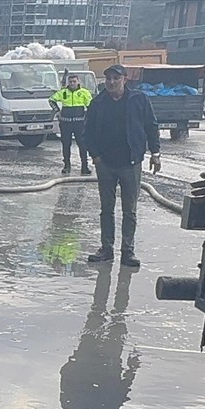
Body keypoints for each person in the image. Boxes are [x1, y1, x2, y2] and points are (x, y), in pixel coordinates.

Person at [82, 64, 161, 268]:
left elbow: (151, 126)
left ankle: (128, 251)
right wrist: (95, 156)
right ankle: (106, 249)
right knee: (106, 209)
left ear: (125, 79)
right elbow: (87, 132)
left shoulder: (139, 100)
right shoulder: (98, 103)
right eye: (108, 78)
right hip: (106, 164)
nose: (111, 82)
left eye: (116, 78)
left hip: (131, 162)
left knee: (130, 210)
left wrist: (155, 153)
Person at [60, 264, 140, 409]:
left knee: (119, 316)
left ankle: (124, 279)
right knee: (97, 310)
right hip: (86, 355)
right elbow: (65, 374)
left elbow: (123, 388)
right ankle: (106, 276)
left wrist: (132, 367)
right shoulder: (67, 405)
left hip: (110, 359)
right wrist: (75, 359)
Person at [50, 73, 94, 175]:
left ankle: (84, 167)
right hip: (66, 123)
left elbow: (91, 106)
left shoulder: (84, 92)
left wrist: (88, 118)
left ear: (78, 81)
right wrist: (57, 111)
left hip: (79, 123)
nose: (72, 83)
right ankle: (67, 166)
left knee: (82, 145)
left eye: (74, 81)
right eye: (70, 82)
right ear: (68, 82)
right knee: (66, 145)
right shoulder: (63, 92)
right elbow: (51, 100)